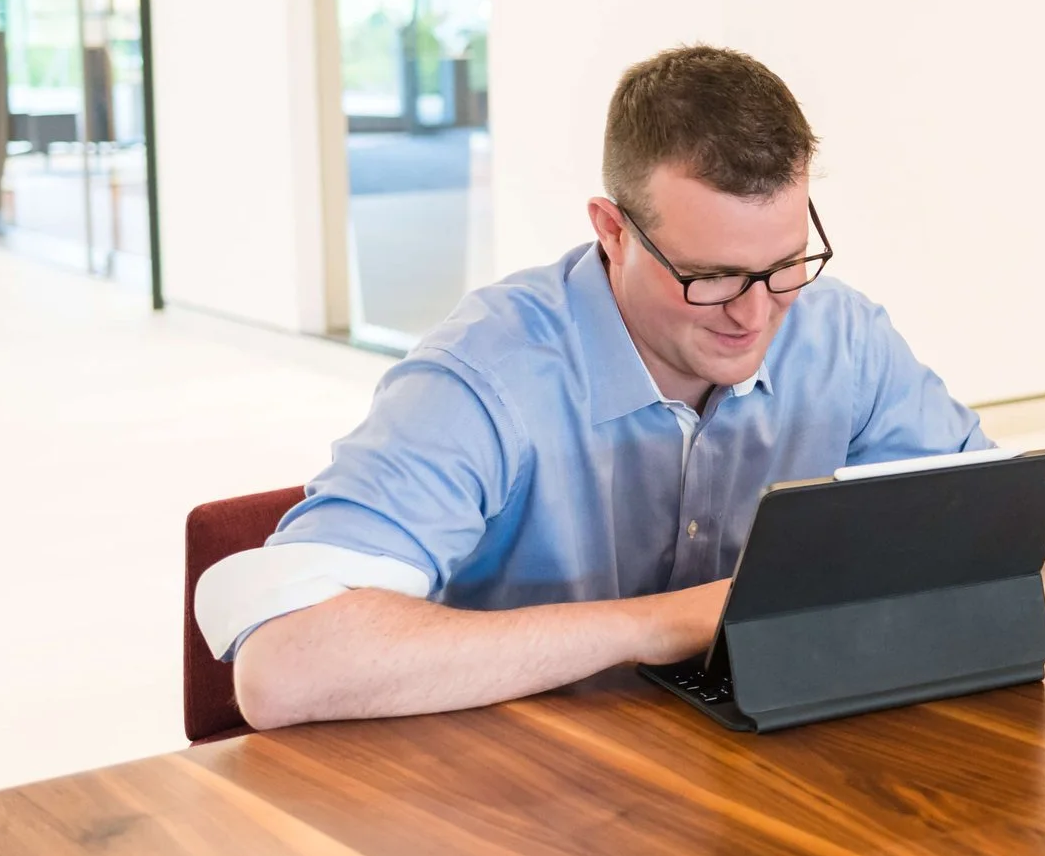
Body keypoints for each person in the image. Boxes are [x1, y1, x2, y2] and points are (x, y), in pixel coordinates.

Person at [199, 45, 990, 728]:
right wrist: (661, 623)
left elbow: (985, 520)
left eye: (784, 266)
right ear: (613, 231)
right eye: (711, 276)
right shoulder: (485, 375)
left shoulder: (838, 333)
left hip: (748, 784)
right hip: (512, 814)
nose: (755, 314)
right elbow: (281, 667)